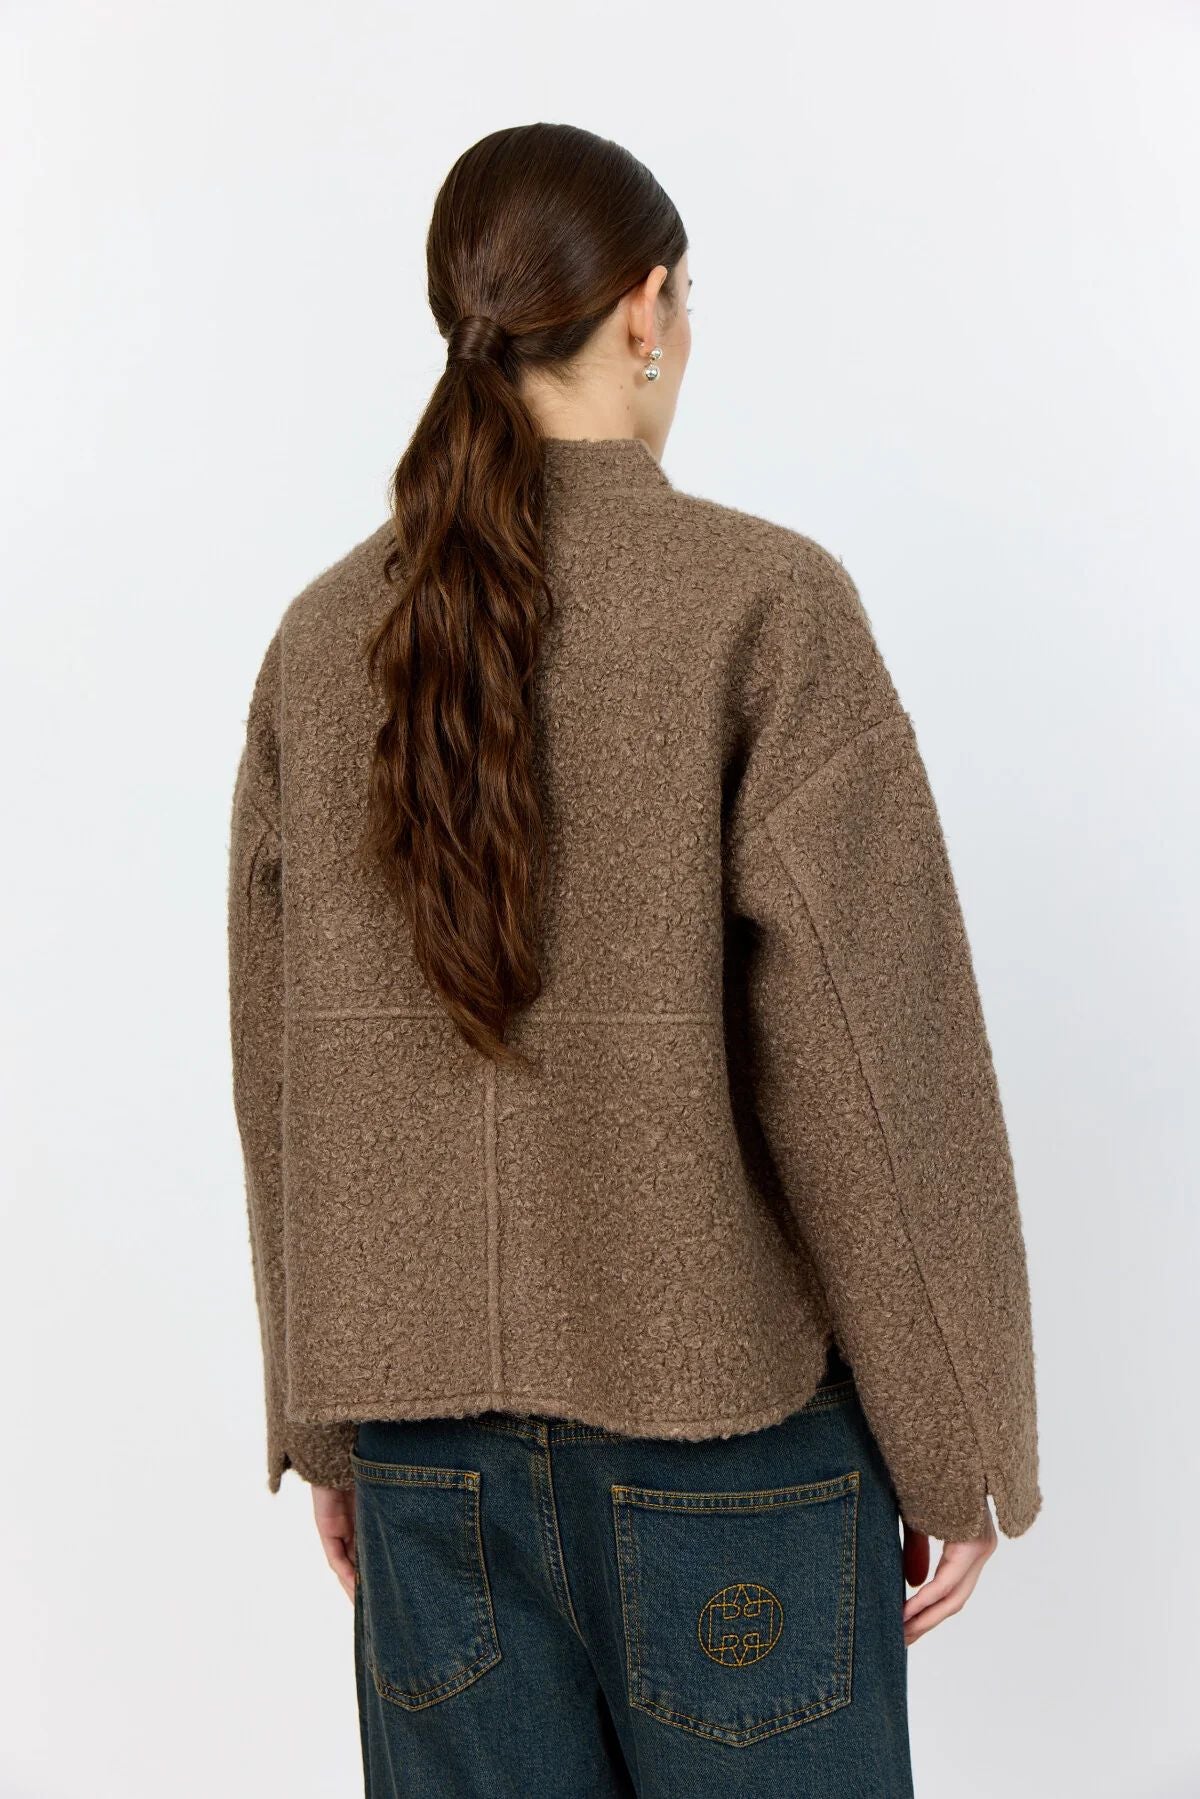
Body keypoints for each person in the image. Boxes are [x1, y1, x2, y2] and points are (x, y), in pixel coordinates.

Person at [227, 121, 1040, 1798]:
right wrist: (960, 1442)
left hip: (427, 1466)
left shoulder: (320, 639)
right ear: (647, 308)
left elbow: (280, 1057)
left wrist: (326, 1418)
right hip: (726, 1458)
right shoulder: (763, 605)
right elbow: (880, 1068)